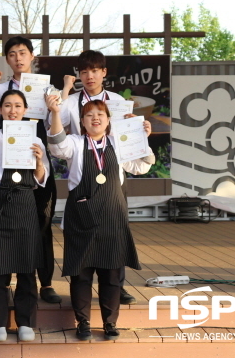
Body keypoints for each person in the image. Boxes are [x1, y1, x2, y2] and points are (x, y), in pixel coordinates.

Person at [46, 97, 154, 341]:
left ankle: (109, 322)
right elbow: (56, 146)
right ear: (82, 122)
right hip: (82, 218)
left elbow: (141, 167)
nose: (95, 118)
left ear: (108, 120)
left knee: (112, 274)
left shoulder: (119, 143)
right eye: (89, 115)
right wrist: (54, 113)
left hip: (113, 218)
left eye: (100, 114)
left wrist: (142, 137)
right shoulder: (74, 142)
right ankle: (82, 322)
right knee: (81, 275)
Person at [49, 49, 138, 305]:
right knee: (84, 228)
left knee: (115, 227)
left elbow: (127, 138)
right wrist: (60, 101)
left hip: (111, 167)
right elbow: (55, 130)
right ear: (79, 74)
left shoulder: (117, 101)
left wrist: (134, 125)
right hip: (83, 162)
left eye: (95, 70)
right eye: (84, 71)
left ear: (104, 73)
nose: (89, 76)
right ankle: (84, 283)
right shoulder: (73, 101)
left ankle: (116, 286)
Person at [0, 90, 49, 342]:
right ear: (0, 110)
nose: (12, 110)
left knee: (27, 266)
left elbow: (40, 179)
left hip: (25, 201)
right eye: (7, 106)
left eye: (17, 106)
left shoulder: (35, 137)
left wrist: (38, 161)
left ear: (25, 110)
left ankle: (26, 322)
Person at [0, 36, 61, 304]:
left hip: (36, 160)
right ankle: (4, 280)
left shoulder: (46, 88)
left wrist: (54, 106)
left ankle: (47, 282)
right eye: (12, 54)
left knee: (42, 222)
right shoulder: (1, 89)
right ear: (7, 59)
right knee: (4, 224)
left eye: (23, 53)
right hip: (7, 166)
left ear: (32, 56)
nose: (18, 58)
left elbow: (57, 123)